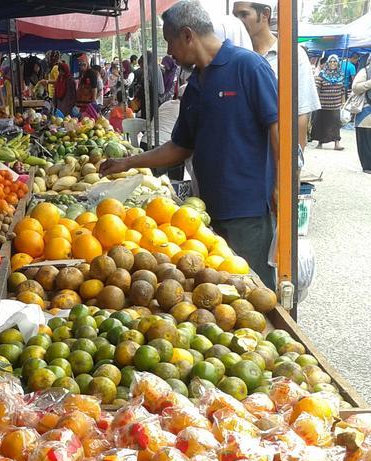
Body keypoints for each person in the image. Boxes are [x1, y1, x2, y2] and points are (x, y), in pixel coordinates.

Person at [102, 0, 279, 288]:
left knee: (254, 291)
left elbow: (277, 126)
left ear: (187, 35)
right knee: (218, 294)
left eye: (170, 42)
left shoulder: (247, 66)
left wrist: (279, 186)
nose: (169, 52)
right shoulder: (196, 84)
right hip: (204, 212)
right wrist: (128, 162)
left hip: (248, 211)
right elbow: (180, 147)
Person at [232, 0, 320, 151]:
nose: (238, 22)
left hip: (275, 152)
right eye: (235, 16)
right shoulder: (234, 56)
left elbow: (301, 113)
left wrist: (295, 164)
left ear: (265, 14)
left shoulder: (293, 55)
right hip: (240, 154)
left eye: (244, 14)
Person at [311, 54, 346, 150]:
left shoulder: (341, 75)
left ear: (338, 63)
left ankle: (337, 144)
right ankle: (320, 143)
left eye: (334, 61)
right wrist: (315, 101)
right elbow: (317, 88)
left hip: (335, 105)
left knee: (335, 124)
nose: (333, 63)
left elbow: (343, 90)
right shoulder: (321, 74)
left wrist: (343, 103)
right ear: (327, 63)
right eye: (331, 61)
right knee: (322, 123)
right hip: (323, 105)